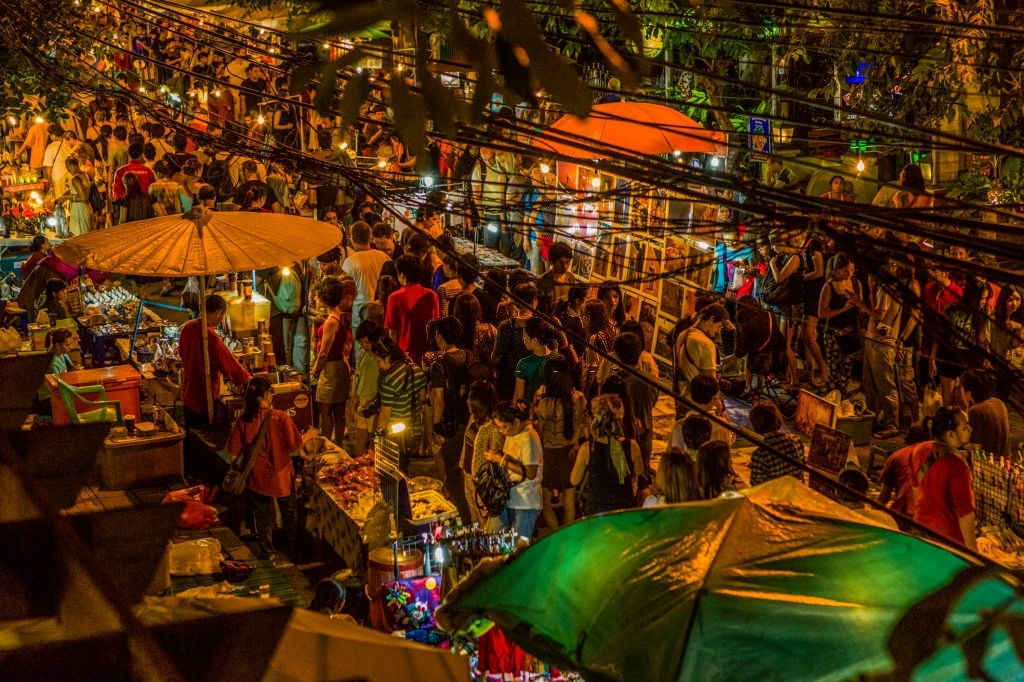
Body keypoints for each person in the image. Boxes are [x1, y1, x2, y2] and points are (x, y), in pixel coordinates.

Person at [225, 376, 302, 559]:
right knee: (289, 511)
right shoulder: (281, 417)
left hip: (257, 478)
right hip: (281, 476)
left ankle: (268, 552)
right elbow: (295, 447)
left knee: (262, 515)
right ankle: (293, 547)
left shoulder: (244, 420)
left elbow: (233, 455)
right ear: (268, 394)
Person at [909, 406, 977, 550]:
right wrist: (973, 552)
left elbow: (916, 493)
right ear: (950, 435)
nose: (971, 429)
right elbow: (965, 515)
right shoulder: (958, 466)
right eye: (965, 427)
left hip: (920, 531)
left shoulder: (919, 450)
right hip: (947, 541)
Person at [428, 317, 476, 522]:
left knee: (454, 472)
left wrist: (436, 428)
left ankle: (463, 517)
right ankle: (472, 514)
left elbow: (438, 399)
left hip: (452, 425)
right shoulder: (470, 356)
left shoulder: (439, 364)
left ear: (439, 337)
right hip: (472, 421)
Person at [179, 294, 251, 428]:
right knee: (204, 434)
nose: (222, 319)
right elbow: (230, 365)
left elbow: (181, 353)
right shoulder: (211, 337)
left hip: (188, 393)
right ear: (218, 312)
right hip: (204, 398)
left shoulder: (188, 327)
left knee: (191, 432)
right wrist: (248, 379)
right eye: (223, 316)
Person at [532, 357, 585, 530]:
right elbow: (581, 423)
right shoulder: (579, 398)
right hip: (571, 453)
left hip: (550, 455)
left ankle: (556, 532)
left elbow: (540, 433)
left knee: (546, 502)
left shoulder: (545, 404)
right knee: (569, 500)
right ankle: (567, 534)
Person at [571, 393, 644, 517]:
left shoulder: (588, 448)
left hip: (596, 512)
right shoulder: (632, 446)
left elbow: (574, 480)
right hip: (624, 509)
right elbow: (639, 471)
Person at [486, 401, 543, 541]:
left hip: (525, 503)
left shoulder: (529, 439)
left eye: (504, 427)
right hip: (509, 498)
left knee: (519, 547)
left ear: (516, 422)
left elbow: (531, 473)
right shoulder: (512, 435)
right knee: (494, 538)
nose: (502, 431)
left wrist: (502, 460)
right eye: (499, 427)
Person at [371, 335, 428, 473]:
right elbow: (422, 399)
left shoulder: (389, 381)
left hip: (394, 433)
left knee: (393, 471)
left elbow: (385, 414)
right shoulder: (417, 370)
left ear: (388, 357)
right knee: (404, 466)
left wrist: (377, 439)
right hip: (413, 430)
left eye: (379, 361)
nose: (378, 365)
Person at [818, 252, 869, 398]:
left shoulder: (856, 283)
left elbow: (862, 308)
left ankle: (842, 398)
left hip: (851, 333)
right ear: (837, 269)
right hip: (833, 334)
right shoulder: (829, 286)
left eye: (852, 270)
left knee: (846, 372)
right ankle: (832, 399)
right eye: (846, 270)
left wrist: (859, 305)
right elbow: (822, 313)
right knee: (834, 371)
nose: (849, 273)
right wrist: (844, 308)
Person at [311, 277, 352, 446]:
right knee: (340, 411)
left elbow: (323, 353)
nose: (314, 298)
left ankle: (328, 445)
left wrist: (315, 370)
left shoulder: (330, 322)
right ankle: (339, 445)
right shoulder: (339, 316)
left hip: (331, 370)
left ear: (325, 297)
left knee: (326, 410)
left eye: (317, 295)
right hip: (341, 366)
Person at [342, 221, 391, 364]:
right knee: (383, 354)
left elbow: (346, 293)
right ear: (370, 237)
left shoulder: (350, 262)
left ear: (352, 239)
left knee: (362, 358)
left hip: (360, 317)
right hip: (382, 314)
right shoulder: (383, 256)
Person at [673, 302, 733, 409]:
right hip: (698, 402)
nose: (718, 332)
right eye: (719, 326)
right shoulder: (706, 344)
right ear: (711, 319)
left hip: (681, 397)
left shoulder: (683, 334)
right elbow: (711, 381)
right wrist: (720, 406)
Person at [385, 255, 439, 366]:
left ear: (402, 275)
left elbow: (392, 332)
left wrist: (395, 357)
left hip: (406, 355)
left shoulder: (395, 297)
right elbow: (436, 324)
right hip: (428, 355)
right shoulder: (432, 295)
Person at [465, 379, 503, 528]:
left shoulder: (494, 428)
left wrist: (489, 493)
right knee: (475, 520)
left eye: (470, 398)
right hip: (469, 478)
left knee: (486, 524)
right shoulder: (473, 419)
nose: (468, 401)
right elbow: (466, 448)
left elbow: (495, 462)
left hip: (482, 485)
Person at [669, 374, 735, 450]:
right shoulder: (722, 425)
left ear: (690, 396)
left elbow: (675, 452)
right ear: (714, 398)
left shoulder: (679, 426)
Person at [748, 401, 806, 486]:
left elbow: (756, 484)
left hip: (774, 493)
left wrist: (757, 466)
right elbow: (801, 468)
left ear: (755, 425)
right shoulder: (796, 440)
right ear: (778, 418)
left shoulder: (760, 454)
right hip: (794, 490)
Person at [960, 368, 1010, 458]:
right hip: (1004, 460)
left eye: (962, 388)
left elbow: (976, 447)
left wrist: (956, 446)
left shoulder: (976, 411)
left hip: (987, 461)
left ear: (968, 392)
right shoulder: (999, 402)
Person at [352, 320, 384, 455]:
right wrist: (354, 401)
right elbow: (358, 378)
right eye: (361, 342)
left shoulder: (382, 357)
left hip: (375, 406)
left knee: (373, 446)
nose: (364, 346)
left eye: (367, 342)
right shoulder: (365, 355)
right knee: (360, 448)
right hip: (363, 404)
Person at [513, 318, 561, 406]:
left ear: (535, 340)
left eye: (525, 336)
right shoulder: (559, 358)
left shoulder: (524, 364)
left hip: (532, 410)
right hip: (555, 410)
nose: (523, 339)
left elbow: (519, 398)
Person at [35, 328, 79, 412]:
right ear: (58, 345)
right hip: (47, 399)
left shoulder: (62, 354)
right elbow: (59, 388)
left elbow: (73, 367)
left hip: (58, 390)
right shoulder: (52, 363)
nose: (71, 347)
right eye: (67, 345)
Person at [60, 156, 93, 236]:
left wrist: (66, 198)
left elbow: (83, 197)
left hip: (79, 210)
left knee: (79, 236)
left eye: (67, 167)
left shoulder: (75, 178)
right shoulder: (84, 174)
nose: (67, 170)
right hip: (86, 208)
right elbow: (74, 189)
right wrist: (62, 196)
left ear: (71, 166)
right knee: (85, 236)